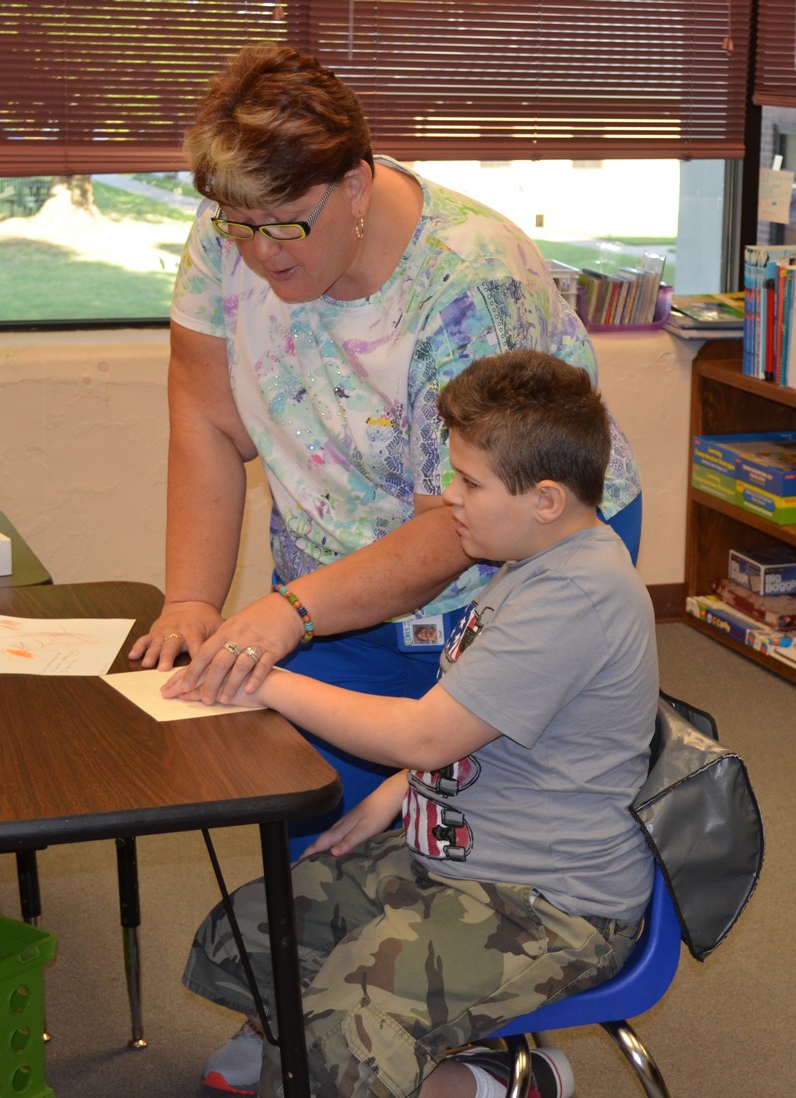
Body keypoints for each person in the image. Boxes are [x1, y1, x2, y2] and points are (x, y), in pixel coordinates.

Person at [128, 42, 643, 858]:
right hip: (338, 561)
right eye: (240, 226)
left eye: (286, 224)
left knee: (460, 822)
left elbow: (457, 523)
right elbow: (205, 420)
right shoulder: (237, 218)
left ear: (357, 185)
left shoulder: (470, 284)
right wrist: (193, 598)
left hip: (503, 544)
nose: (261, 251)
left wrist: (292, 613)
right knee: (315, 818)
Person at [166, 350, 659, 1098]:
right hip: (466, 852)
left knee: (345, 1034)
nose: (450, 499)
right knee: (246, 937)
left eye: (468, 483)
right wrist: (401, 790)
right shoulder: (528, 560)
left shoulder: (579, 594)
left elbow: (428, 733)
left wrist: (271, 683)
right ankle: (313, 1063)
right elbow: (490, 725)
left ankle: (500, 1083)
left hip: (548, 902)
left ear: (546, 499)